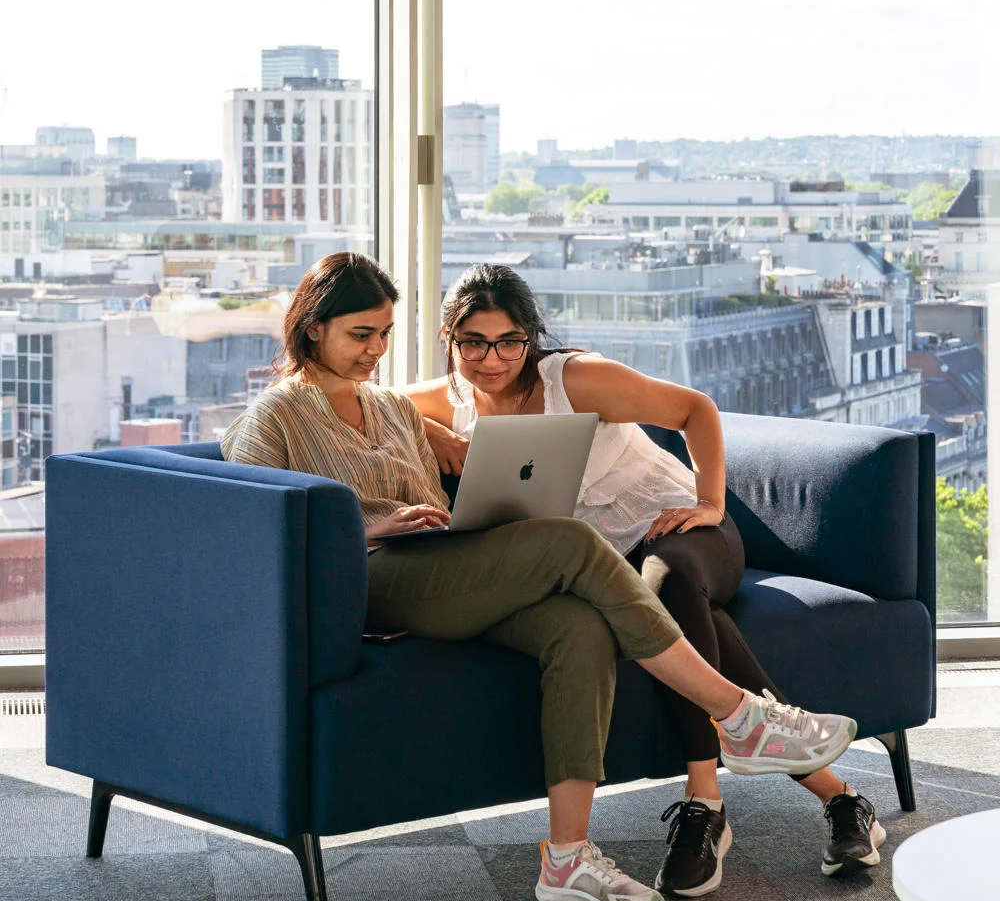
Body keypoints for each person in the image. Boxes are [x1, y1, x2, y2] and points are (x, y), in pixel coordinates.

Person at [223, 252, 858, 901]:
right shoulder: (276, 414)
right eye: (361, 334)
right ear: (311, 330)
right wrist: (367, 527)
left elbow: (444, 472)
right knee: (570, 542)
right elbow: (247, 518)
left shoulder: (392, 408)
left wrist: (450, 475)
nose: (377, 349)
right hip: (371, 580)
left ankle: (567, 860)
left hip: (439, 566)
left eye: (384, 333)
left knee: (577, 627)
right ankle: (740, 716)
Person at [405, 262, 886, 897]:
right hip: (602, 565)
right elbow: (367, 405)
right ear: (449, 339)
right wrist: (434, 427)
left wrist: (711, 501)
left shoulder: (577, 378)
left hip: (682, 532)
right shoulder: (447, 398)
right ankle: (843, 799)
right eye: (473, 343)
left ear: (531, 338)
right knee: (686, 620)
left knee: (664, 590)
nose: (492, 359)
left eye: (509, 342)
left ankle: (703, 802)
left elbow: (695, 408)